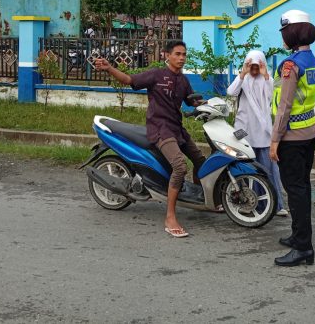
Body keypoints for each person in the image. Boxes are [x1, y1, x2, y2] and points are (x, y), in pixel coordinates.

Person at [94, 40, 205, 239]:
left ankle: (201, 200)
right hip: (160, 129)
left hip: (177, 128)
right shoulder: (156, 75)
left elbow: (191, 99)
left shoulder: (183, 80)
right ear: (167, 55)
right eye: (177, 54)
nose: (181, 58)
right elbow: (129, 80)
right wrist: (109, 68)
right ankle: (170, 216)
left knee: (200, 160)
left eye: (184, 55)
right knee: (180, 167)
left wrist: (205, 104)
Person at [270, 9, 315, 267]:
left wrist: (275, 140)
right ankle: (298, 236)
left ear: (292, 31)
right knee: (302, 188)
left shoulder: (290, 65)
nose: (282, 36)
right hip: (310, 132)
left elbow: (285, 106)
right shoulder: (312, 60)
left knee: (296, 191)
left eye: (283, 31)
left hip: (291, 138)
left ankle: (303, 247)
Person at [226, 50, 288, 217]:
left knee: (268, 170)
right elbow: (230, 92)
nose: (254, 68)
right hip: (244, 132)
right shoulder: (243, 78)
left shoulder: (265, 80)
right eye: (251, 65)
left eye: (256, 65)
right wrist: (242, 74)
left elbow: (268, 99)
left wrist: (265, 76)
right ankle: (248, 203)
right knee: (245, 170)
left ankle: (275, 204)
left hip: (263, 133)